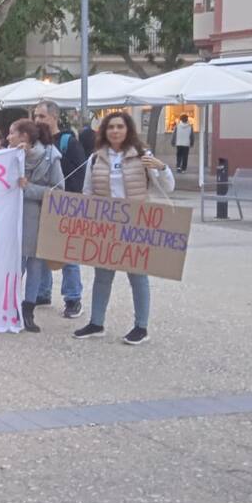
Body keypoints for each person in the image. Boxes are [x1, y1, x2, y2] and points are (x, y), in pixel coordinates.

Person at [74, 111, 175, 345]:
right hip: (106, 225)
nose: (115, 131)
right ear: (104, 131)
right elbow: (87, 191)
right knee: (102, 276)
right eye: (111, 127)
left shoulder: (142, 156)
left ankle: (141, 327)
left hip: (135, 224)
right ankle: (96, 323)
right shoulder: (95, 158)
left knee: (138, 277)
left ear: (128, 129)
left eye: (120, 126)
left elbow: (168, 187)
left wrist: (161, 167)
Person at [30, 100, 87, 318]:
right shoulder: (35, 143)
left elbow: (79, 175)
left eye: (42, 116)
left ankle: (73, 298)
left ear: (54, 117)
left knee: (67, 253)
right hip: (41, 204)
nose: (37, 120)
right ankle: (43, 292)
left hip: (64, 206)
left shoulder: (68, 143)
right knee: (41, 249)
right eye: (35, 116)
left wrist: (67, 200)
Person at [8, 120, 63, 333]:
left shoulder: (51, 158)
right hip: (12, 219)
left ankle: (28, 310)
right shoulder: (9, 155)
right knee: (14, 266)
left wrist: (29, 189)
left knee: (34, 266)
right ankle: (9, 306)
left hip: (37, 220)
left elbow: (59, 191)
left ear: (24, 136)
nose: (8, 138)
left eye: (11, 133)